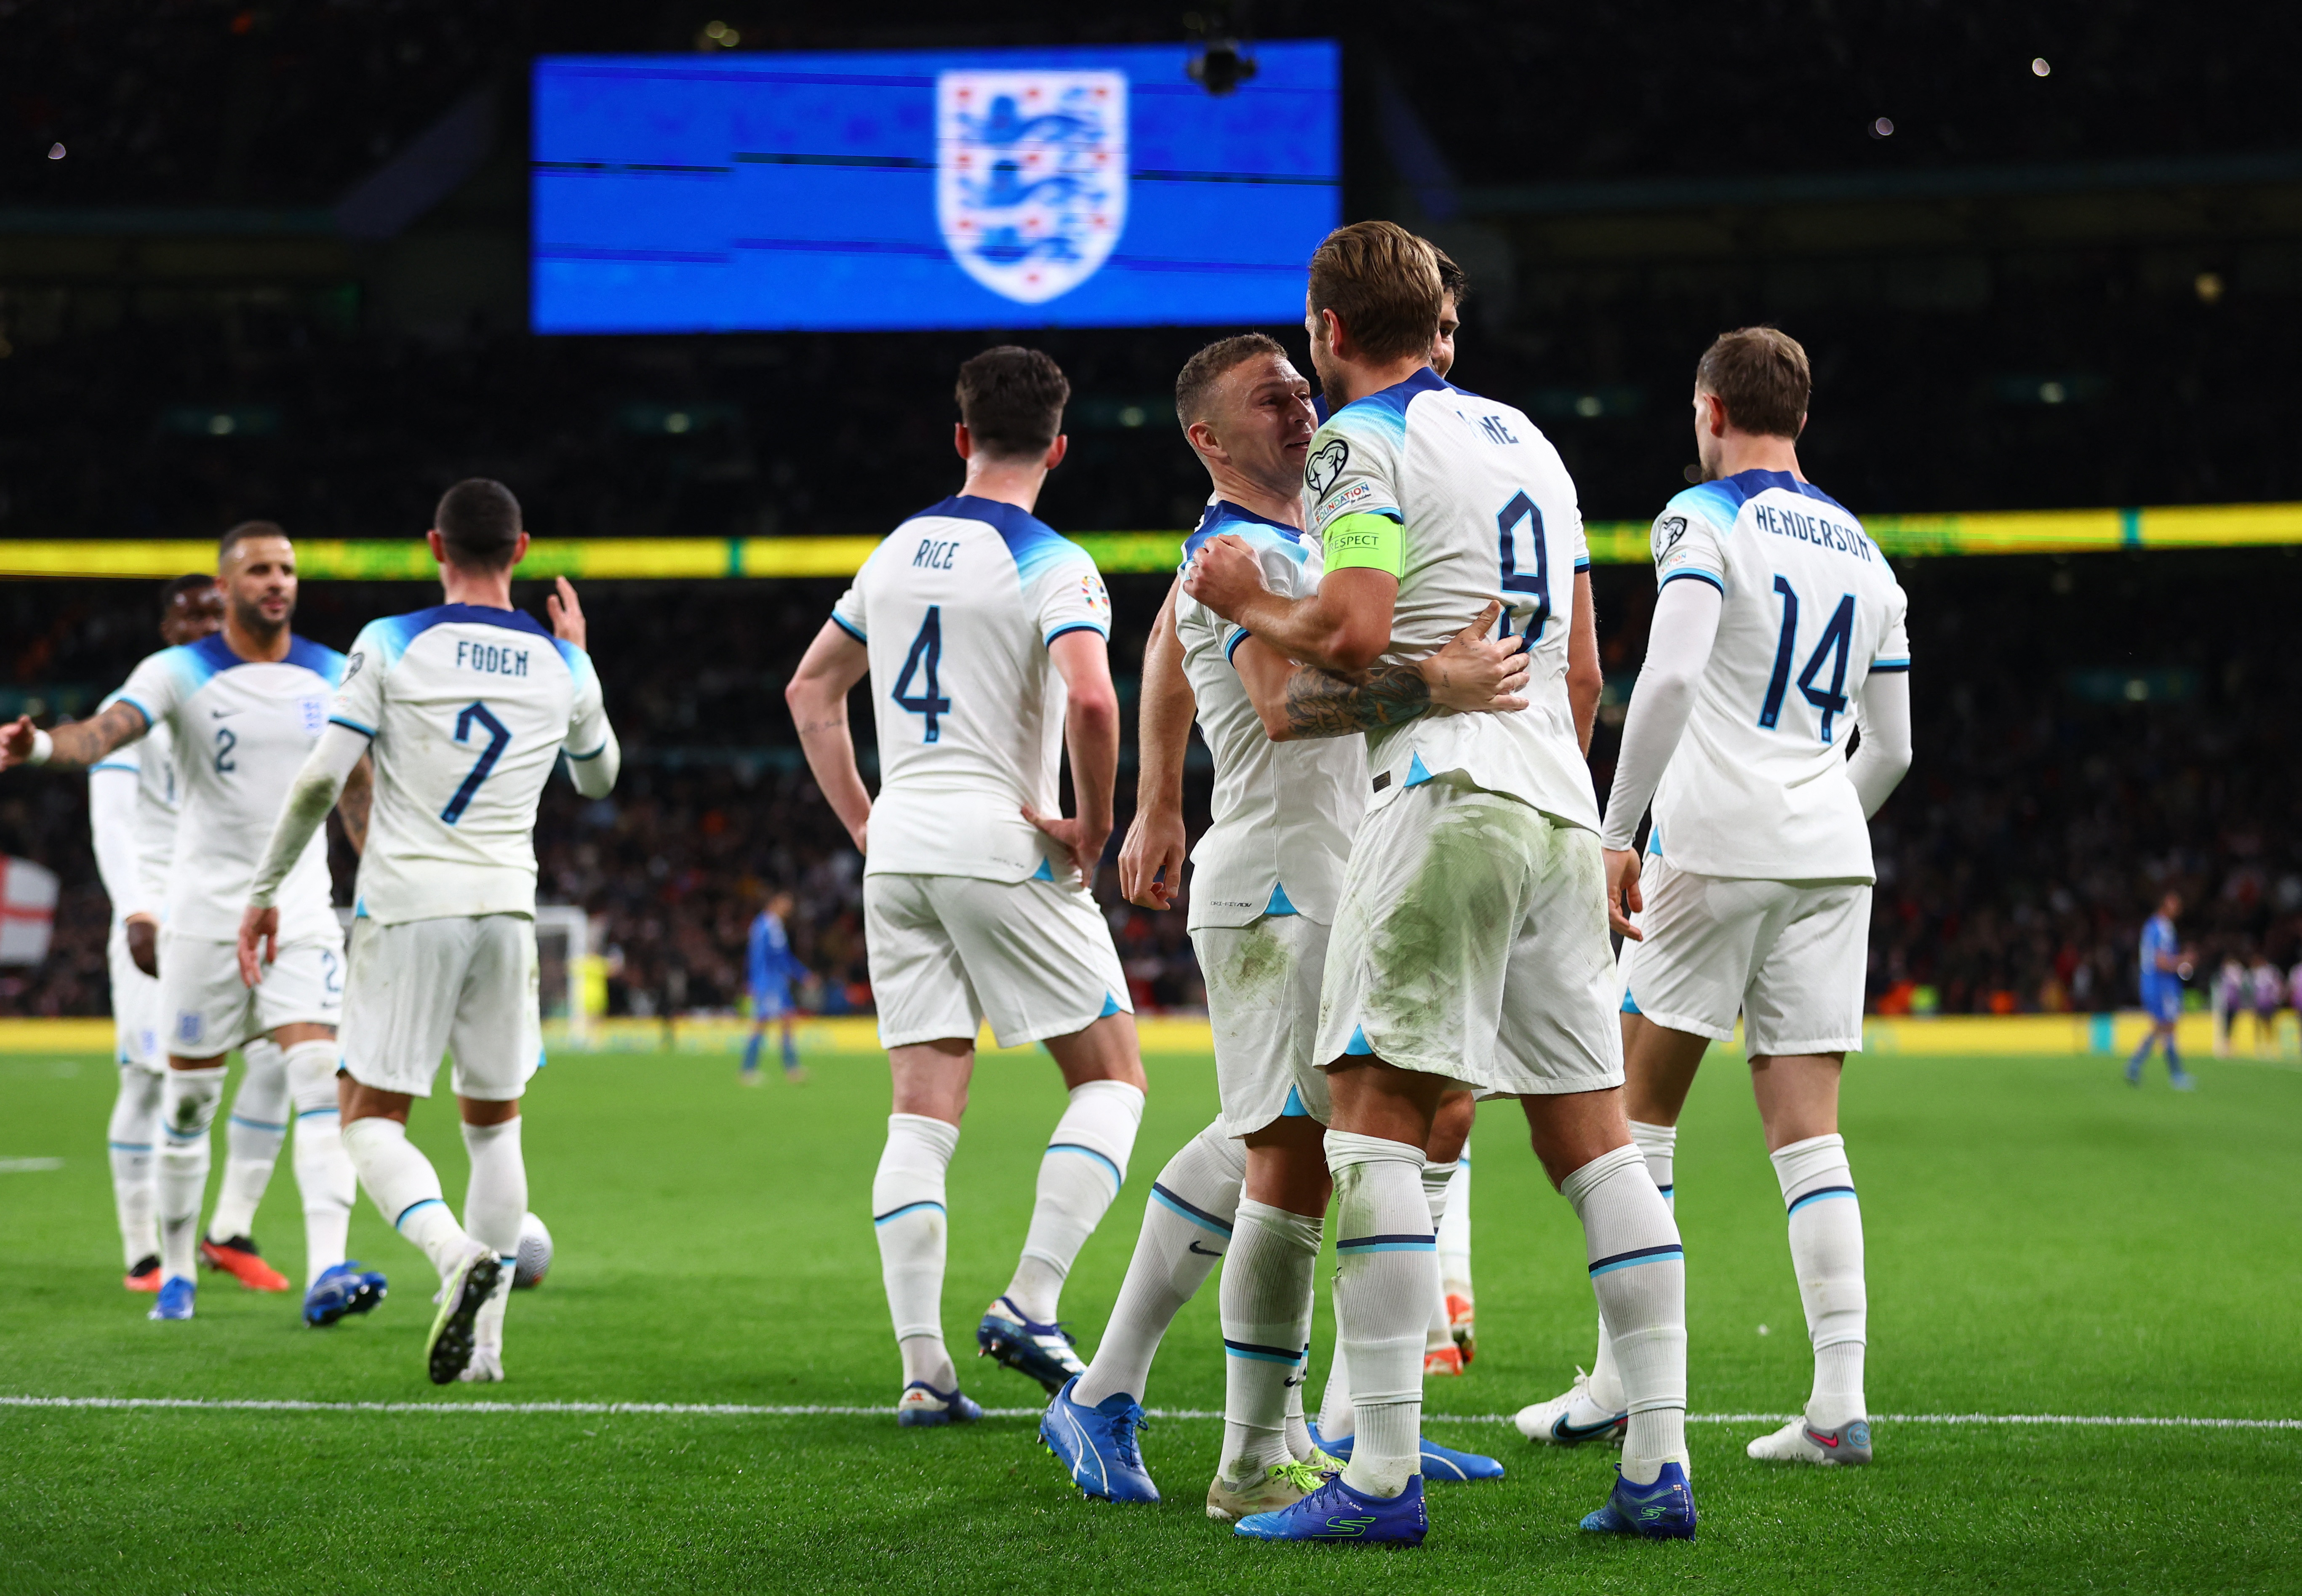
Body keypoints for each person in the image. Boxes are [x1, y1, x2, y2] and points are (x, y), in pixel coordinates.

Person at [1185, 221, 1690, 1545]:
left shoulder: (1360, 443)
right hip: (1558, 810)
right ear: (1440, 323)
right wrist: (1575, 815)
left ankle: (1376, 1476)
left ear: (1329, 333)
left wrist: (1248, 601)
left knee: (1366, 1121)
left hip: (1443, 794)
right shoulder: (1532, 439)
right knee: (1592, 1138)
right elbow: (1582, 670)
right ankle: (1657, 1466)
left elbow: (1347, 632)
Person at [1042, 332, 1525, 1517]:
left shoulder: (1286, 544)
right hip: (1276, 886)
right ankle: (1244, 1440)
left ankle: (1338, 1423)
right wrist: (1437, 685)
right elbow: (1284, 703)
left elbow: (1163, 640)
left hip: (1329, 869)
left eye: (1304, 390)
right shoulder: (1242, 544)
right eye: (1272, 400)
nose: (1302, 409)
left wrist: (1158, 796)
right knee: (1296, 1149)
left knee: (1332, 1124)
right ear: (1208, 437)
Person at [1512, 326, 1915, 1471]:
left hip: (1711, 843)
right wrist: (1807, 810)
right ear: (1801, 415)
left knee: (1631, 1124)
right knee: (1808, 1134)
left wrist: (1617, 829)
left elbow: (1675, 672)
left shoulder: (1700, 517)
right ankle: (1838, 1400)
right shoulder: (1865, 553)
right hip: (1830, 851)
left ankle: (1621, 1390)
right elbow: (1890, 747)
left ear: (1708, 409)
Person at [784, 347, 1148, 1426]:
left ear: (960, 437)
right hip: (1001, 836)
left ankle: (922, 1370)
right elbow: (1092, 700)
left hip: (901, 844)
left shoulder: (894, 552)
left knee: (922, 1110)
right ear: (1060, 446)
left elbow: (811, 691)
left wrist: (865, 819)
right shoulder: (1053, 559)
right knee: (1112, 1078)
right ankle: (1032, 1297)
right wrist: (1094, 821)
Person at [236, 479, 619, 1383]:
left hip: (408, 904)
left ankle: (454, 1255)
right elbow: (599, 779)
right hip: (508, 909)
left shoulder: (389, 642)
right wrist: (581, 658)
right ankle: (485, 1350)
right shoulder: (561, 663)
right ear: (522, 550)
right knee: (495, 1130)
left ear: (434, 547)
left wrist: (263, 889)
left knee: (366, 1119)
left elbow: (318, 782)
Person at [0, 522, 374, 1326]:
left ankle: (328, 1270)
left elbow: (357, 791)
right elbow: (101, 737)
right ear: (228, 584)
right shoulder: (178, 672)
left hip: (300, 915)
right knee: (188, 1104)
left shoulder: (336, 672)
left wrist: (381, 880)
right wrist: (37, 750)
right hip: (201, 920)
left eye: (287, 569)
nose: (277, 582)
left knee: (318, 1083)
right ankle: (175, 1271)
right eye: (260, 571)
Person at [87, 574, 223, 1290]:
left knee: (224, 1076)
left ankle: (215, 1230)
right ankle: (143, 1247)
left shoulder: (240, 704)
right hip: (155, 916)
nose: (202, 623)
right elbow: (110, 822)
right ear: (166, 625)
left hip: (222, 911)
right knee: (148, 1080)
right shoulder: (131, 710)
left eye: (213, 611)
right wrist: (137, 910)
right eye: (187, 613)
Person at [2128, 892, 2194, 1088]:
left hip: (2153, 982)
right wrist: (2184, 960)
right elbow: (2161, 961)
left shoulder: (2152, 926)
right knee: (2167, 1026)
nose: (2178, 910)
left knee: (2163, 1027)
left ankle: (2136, 1065)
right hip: (2160, 984)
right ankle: (2175, 1075)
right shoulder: (2162, 928)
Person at [741, 890, 808, 1083]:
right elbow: (763, 958)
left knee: (787, 1023)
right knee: (760, 1025)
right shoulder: (765, 926)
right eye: (785, 903)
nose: (789, 908)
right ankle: (748, 1070)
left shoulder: (773, 925)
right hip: (769, 983)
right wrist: (756, 983)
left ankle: (792, 1069)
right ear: (774, 903)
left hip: (777, 983)